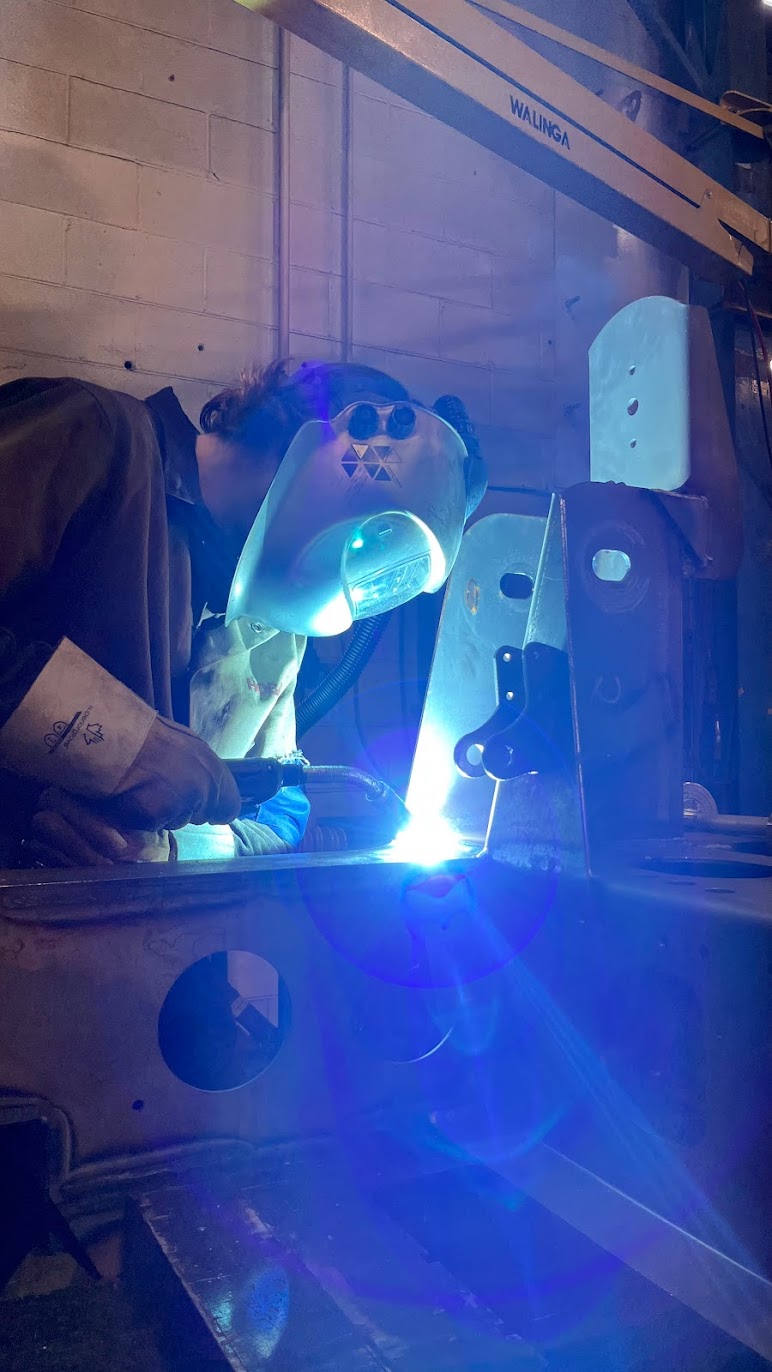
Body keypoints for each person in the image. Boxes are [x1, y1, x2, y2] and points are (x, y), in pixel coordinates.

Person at [0, 361, 411, 867]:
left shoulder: (278, 608)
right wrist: (121, 742)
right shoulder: (94, 438)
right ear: (310, 456)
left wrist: (178, 849)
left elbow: (281, 807)